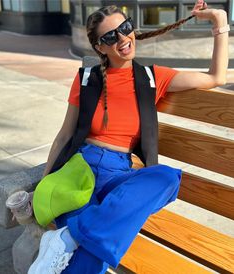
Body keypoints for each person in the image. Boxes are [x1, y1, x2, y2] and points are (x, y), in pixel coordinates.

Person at [28, 0, 229, 273]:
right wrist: (44, 182)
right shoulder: (87, 78)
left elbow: (216, 77)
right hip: (79, 170)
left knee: (168, 179)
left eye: (125, 28)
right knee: (94, 255)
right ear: (100, 47)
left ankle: (68, 236)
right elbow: (64, 135)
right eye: (111, 36)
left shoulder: (151, 77)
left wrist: (218, 20)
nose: (122, 38)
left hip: (119, 174)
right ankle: (75, 236)